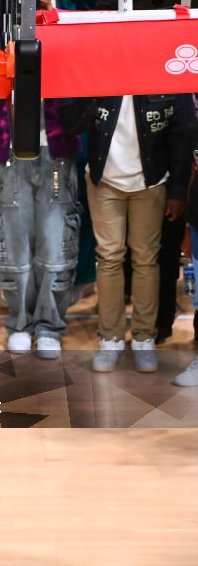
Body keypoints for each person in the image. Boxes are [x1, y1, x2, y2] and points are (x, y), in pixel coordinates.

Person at [0, 0, 81, 359]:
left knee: (56, 241)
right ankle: (19, 323)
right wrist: (8, 66)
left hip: (56, 149)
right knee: (13, 243)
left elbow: (78, 83)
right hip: (9, 149)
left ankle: (49, 325)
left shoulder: (60, 27)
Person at [60, 94, 195, 373]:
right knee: (109, 257)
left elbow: (183, 133)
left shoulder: (163, 77)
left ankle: (144, 338)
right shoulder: (95, 75)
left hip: (152, 181)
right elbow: (71, 123)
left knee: (146, 259)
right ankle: (110, 338)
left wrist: (179, 189)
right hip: (104, 180)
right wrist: (93, 91)